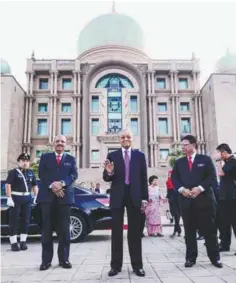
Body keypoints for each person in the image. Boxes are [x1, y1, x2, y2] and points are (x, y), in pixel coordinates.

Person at [171, 135, 222, 268]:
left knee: (210, 231)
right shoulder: (179, 162)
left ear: (193, 145)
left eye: (185, 144)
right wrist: (182, 189)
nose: (183, 147)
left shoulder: (205, 160)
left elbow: (211, 177)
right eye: (182, 145)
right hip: (186, 202)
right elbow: (174, 179)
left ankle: (215, 258)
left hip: (205, 202)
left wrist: (200, 188)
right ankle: (190, 258)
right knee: (189, 231)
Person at [103, 129, 148, 277]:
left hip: (135, 196)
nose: (125, 139)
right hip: (117, 197)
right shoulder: (112, 155)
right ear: (119, 140)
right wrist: (109, 172)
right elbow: (106, 178)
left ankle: (137, 265)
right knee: (116, 233)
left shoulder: (140, 156)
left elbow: (143, 178)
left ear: (132, 139)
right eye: (123, 137)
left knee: (135, 233)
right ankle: (115, 266)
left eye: (128, 136)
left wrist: (144, 198)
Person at [37, 135, 78, 271]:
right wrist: (52, 186)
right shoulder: (45, 157)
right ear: (54, 143)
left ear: (66, 144)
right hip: (47, 198)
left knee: (64, 231)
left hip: (64, 198)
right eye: (58, 141)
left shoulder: (71, 159)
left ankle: (64, 259)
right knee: (47, 230)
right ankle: (46, 261)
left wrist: (62, 183)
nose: (60, 143)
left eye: (63, 142)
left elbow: (73, 175)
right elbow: (41, 174)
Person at [5, 153, 38, 251]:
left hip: (27, 199)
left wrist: (36, 196)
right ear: (19, 162)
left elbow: (35, 186)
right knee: (14, 220)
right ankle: (14, 243)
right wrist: (9, 198)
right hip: (16, 198)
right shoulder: (13, 172)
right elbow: (8, 185)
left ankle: (23, 242)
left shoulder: (31, 173)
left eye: (27, 161)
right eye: (23, 161)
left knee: (26, 220)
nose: (25, 163)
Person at [215, 143, 236, 256]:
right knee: (224, 222)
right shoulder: (227, 163)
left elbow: (221, 173)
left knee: (234, 222)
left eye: (219, 152)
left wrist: (218, 162)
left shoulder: (233, 162)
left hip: (232, 197)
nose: (218, 155)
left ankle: (225, 244)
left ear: (224, 152)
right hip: (224, 196)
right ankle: (224, 244)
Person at [166, 170, 181, 236]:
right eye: (169, 174)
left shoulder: (177, 180)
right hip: (172, 200)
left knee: (177, 215)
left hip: (177, 199)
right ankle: (177, 229)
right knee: (174, 214)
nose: (169, 175)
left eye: (170, 174)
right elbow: (168, 190)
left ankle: (177, 230)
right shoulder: (168, 181)